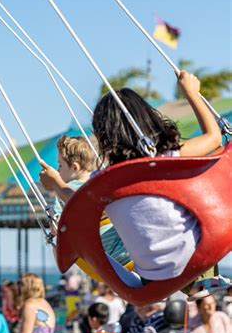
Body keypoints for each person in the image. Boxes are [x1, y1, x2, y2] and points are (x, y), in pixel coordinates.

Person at [90, 70, 228, 296]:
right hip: (199, 254)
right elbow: (214, 138)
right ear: (147, 119)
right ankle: (201, 280)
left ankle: (194, 284)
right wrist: (192, 93)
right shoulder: (166, 159)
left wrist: (57, 186)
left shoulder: (100, 182)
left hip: (153, 280)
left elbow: (77, 206)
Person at [39, 135, 131, 267]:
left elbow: (56, 228)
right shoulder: (103, 183)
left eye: (60, 165)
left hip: (108, 262)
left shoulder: (64, 192)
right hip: (130, 252)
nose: (58, 170)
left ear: (75, 167)